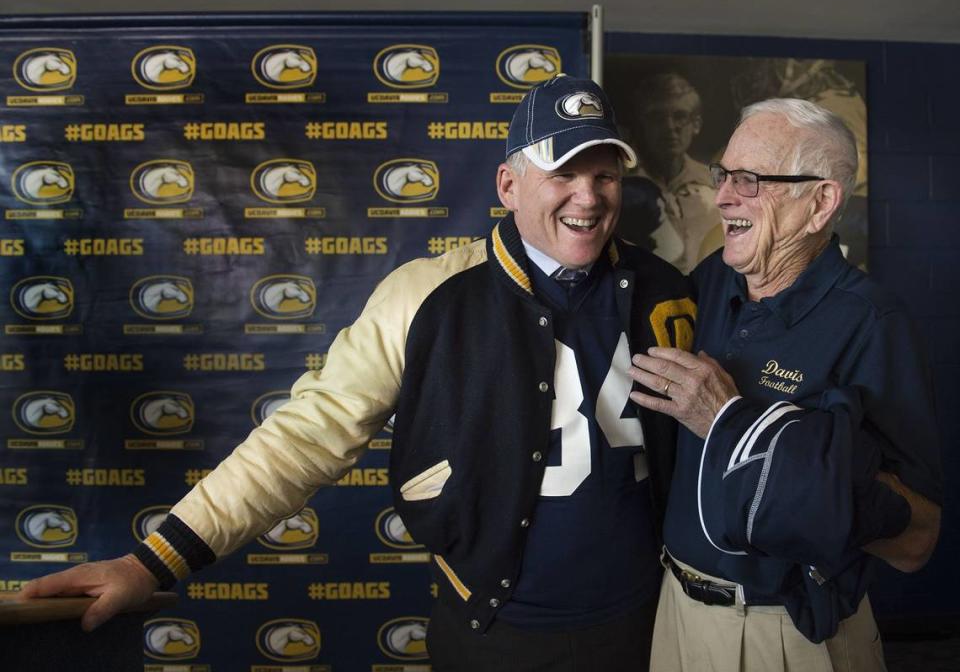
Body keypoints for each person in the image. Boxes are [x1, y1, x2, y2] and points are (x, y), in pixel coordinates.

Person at [19, 75, 694, 672]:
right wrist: (152, 562)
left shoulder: (668, 289)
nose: (589, 196)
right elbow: (306, 436)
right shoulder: (426, 295)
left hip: (647, 627)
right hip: (493, 635)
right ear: (509, 184)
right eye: (565, 172)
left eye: (604, 174)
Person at [628, 97, 942, 671]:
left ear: (821, 202)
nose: (723, 196)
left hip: (784, 634)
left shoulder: (872, 325)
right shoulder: (711, 280)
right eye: (724, 175)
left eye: (750, 180)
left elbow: (917, 539)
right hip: (674, 612)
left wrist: (736, 425)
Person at [618, 72, 722, 274]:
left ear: (696, 124)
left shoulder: (717, 185)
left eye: (680, 116)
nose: (669, 127)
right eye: (657, 117)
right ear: (642, 125)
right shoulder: (622, 187)